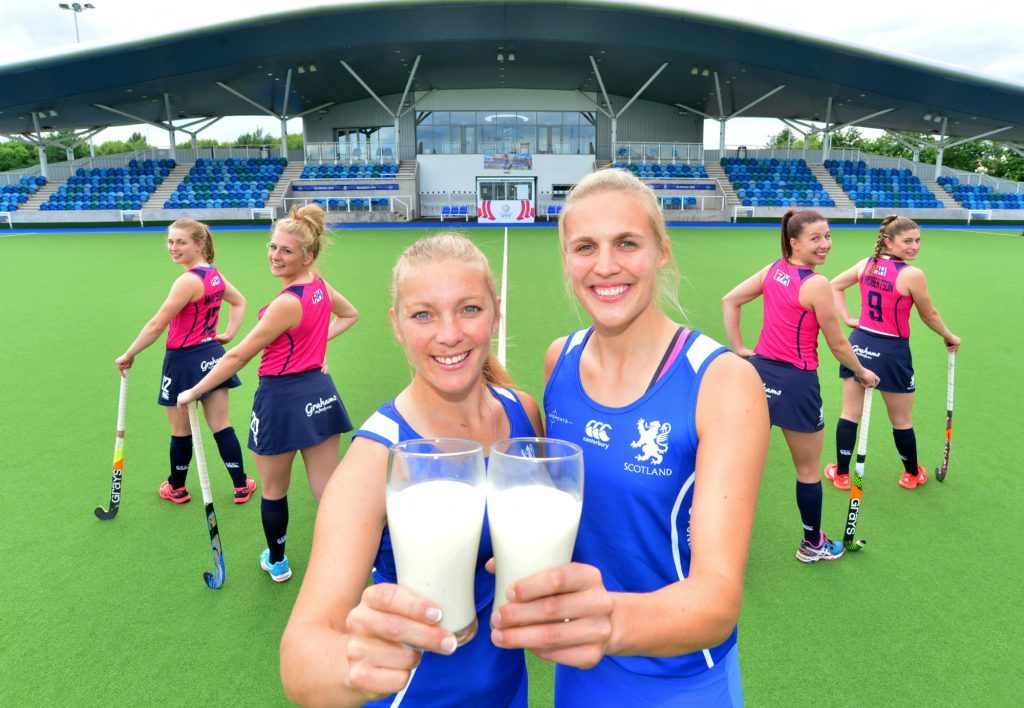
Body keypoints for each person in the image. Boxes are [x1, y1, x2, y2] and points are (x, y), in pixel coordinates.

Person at [489, 169, 769, 705]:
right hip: (579, 668)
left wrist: (605, 619)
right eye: (585, 247)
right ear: (567, 259)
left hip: (679, 678)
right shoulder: (559, 360)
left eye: (627, 243)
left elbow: (716, 601)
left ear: (661, 252)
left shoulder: (722, 381)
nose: (605, 266)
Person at [279, 233, 543, 707]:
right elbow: (301, 659)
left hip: (509, 691)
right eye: (423, 314)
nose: (449, 334)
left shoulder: (523, 414)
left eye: (469, 309)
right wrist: (355, 665)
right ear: (397, 326)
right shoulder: (376, 457)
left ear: (496, 313)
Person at [177, 204, 358, 583]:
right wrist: (316, 351)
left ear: (308, 255)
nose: (275, 256)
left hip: (280, 399)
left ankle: (277, 561)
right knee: (328, 488)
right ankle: (355, 555)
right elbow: (349, 314)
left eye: (286, 251)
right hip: (320, 393)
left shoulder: (285, 304)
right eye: (273, 247)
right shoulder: (320, 287)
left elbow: (240, 355)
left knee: (274, 489)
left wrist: (194, 389)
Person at [722, 209, 880, 565]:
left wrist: (741, 349)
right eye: (815, 238)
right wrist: (861, 372)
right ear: (794, 242)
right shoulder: (816, 284)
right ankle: (812, 544)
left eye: (827, 236)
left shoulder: (774, 270)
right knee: (808, 471)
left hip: (757, 377)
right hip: (796, 384)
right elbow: (839, 343)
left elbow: (729, 300)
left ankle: (711, 533)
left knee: (736, 463)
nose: (825, 244)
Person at [115, 218, 254, 504]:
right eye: (170, 241)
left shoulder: (187, 281)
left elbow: (157, 325)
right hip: (212, 357)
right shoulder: (213, 275)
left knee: (181, 430)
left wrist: (129, 353)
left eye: (181, 242)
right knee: (221, 424)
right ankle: (242, 485)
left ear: (199, 244)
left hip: (182, 361)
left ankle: (176, 488)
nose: (173, 247)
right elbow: (240, 301)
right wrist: (228, 333)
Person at [824, 215, 961, 490]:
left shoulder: (866, 264)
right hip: (892, 351)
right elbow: (929, 314)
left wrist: (850, 318)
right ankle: (912, 473)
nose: (914, 247)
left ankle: (841, 473)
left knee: (850, 413)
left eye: (918, 240)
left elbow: (833, 285)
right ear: (889, 242)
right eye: (907, 241)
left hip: (859, 343)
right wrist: (949, 336)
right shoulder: (911, 274)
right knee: (900, 419)